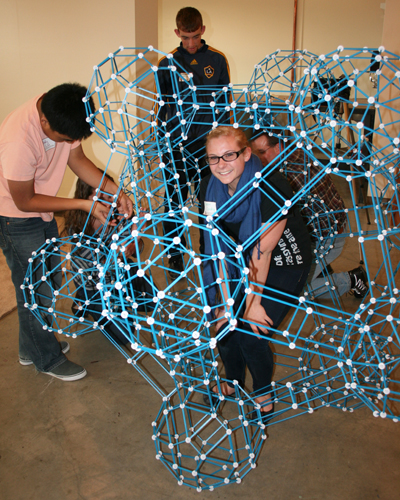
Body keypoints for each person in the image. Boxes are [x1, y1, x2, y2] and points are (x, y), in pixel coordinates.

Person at [0, 83, 133, 381]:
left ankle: (32, 346)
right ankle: (46, 359)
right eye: (65, 139)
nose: (69, 143)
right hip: (15, 216)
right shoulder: (19, 139)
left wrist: (115, 191)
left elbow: (78, 161)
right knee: (35, 287)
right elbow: (24, 200)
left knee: (48, 278)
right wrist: (85, 203)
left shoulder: (64, 111)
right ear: (45, 122)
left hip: (39, 209)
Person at [200, 127, 312, 422]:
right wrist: (225, 299)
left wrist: (252, 303)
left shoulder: (272, 187)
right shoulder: (208, 187)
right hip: (237, 258)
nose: (221, 164)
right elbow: (215, 247)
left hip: (285, 263)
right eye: (214, 158)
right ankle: (232, 382)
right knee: (222, 322)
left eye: (229, 155)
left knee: (250, 332)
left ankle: (263, 394)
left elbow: (262, 254)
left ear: (246, 153)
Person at [250, 132, 369, 299]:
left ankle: (351, 279)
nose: (258, 158)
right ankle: (320, 268)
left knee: (294, 288)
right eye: (255, 152)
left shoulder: (289, 175)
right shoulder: (297, 153)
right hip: (326, 228)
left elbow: (291, 226)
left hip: (328, 238)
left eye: (262, 152)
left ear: (279, 147)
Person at [157, 6, 231, 276]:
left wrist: (226, 147)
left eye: (194, 37)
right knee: (174, 199)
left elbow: (225, 107)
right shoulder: (167, 62)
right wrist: (161, 143)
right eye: (184, 37)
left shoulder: (218, 60)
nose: (189, 43)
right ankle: (175, 253)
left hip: (207, 147)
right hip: (175, 144)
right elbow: (162, 107)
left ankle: (208, 250)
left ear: (202, 30)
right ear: (177, 33)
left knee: (208, 199)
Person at [63, 174, 152, 346]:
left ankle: (112, 301)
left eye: (109, 195)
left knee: (152, 300)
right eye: (99, 197)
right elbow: (100, 267)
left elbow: (136, 251)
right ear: (85, 197)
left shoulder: (118, 214)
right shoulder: (78, 227)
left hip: (120, 272)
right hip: (95, 283)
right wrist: (126, 246)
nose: (107, 202)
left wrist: (136, 236)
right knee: (123, 336)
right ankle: (83, 299)